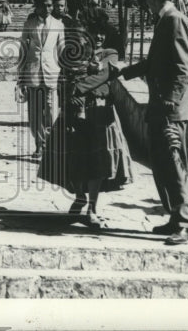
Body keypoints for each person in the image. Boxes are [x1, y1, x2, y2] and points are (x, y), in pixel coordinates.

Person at [110, 0, 188, 246]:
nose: (144, 2)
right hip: (160, 107)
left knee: (174, 163)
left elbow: (185, 67)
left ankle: (185, 224)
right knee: (161, 165)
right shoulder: (163, 20)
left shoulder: (174, 19)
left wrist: (171, 101)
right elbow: (153, 62)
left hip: (170, 109)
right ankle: (174, 217)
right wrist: (125, 71)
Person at [39, 17, 134, 227]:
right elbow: (62, 77)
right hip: (73, 110)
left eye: (102, 33)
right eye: (95, 32)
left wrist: (78, 88)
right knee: (74, 157)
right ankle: (80, 196)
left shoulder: (110, 54)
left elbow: (104, 74)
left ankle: (92, 208)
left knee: (98, 161)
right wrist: (66, 97)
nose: (99, 37)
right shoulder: (73, 52)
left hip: (99, 112)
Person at [18, 0, 64, 160]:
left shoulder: (59, 25)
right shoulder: (29, 24)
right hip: (33, 72)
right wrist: (20, 76)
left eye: (50, 5)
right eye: (44, 5)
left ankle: (50, 143)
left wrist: (61, 71)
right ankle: (40, 144)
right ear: (37, 6)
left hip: (51, 73)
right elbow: (23, 50)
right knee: (35, 111)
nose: (47, 9)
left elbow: (61, 50)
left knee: (51, 111)